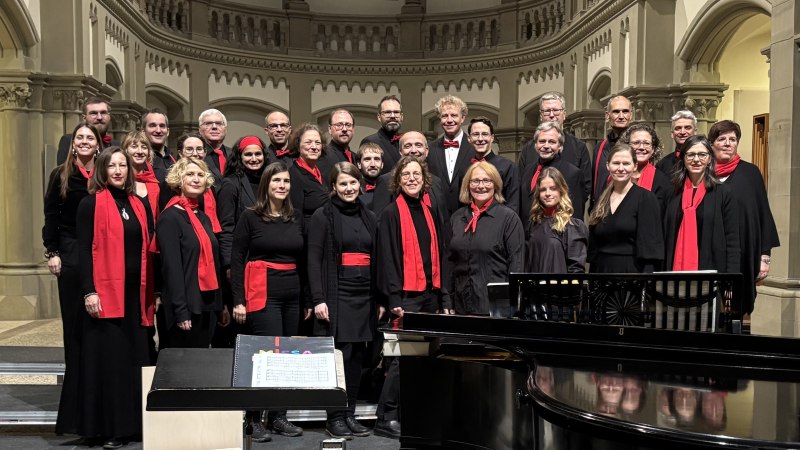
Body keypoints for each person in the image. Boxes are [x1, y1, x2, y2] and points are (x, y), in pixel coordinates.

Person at [76, 147, 156, 448]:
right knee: (110, 363)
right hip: (107, 295)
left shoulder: (139, 203)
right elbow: (83, 250)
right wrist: (89, 290)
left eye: (123, 165)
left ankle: (132, 426)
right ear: (103, 170)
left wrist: (155, 292)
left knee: (134, 361)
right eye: (112, 166)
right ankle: (108, 428)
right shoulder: (90, 204)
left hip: (137, 295)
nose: (119, 171)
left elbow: (148, 248)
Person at [374, 155, 451, 439]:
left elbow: (440, 258)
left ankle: (412, 413)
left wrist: (444, 299)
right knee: (399, 359)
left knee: (424, 358)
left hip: (430, 295)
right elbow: (387, 259)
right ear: (398, 179)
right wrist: (394, 299)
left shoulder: (430, 212)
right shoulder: (391, 213)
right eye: (405, 174)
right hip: (405, 297)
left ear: (424, 178)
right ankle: (386, 416)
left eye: (416, 174)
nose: (411, 178)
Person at [229, 161, 305, 440]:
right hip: (263, 292)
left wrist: (308, 299)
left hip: (292, 293)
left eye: (285, 181)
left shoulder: (296, 217)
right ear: (266, 185)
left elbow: (303, 260)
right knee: (264, 357)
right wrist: (238, 299)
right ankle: (253, 419)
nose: (282, 186)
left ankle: (278, 417)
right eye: (276, 181)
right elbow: (237, 260)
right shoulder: (250, 217)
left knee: (285, 357)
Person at [308, 162, 380, 439]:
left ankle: (349, 413)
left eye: (353, 183)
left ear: (360, 185)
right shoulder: (321, 216)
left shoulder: (369, 215)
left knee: (357, 357)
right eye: (343, 184)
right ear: (333, 187)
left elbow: (377, 257)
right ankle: (334, 416)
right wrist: (318, 298)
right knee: (338, 357)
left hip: (364, 294)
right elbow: (314, 260)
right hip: (337, 294)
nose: (348, 189)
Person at [43, 123, 101, 436]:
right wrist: (51, 251)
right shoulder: (61, 174)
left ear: (98, 142)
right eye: (79, 137)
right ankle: (75, 408)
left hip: (102, 253)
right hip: (71, 252)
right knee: (75, 329)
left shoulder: (106, 173)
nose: (84, 142)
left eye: (90, 137)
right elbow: (51, 215)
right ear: (73, 143)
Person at [709, 120, 779, 316]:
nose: (727, 143)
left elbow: (763, 214)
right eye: (721, 139)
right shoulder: (703, 174)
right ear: (712, 143)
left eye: (732, 139)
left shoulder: (750, 173)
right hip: (710, 252)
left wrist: (764, 257)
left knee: (736, 309)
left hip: (743, 250)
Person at [155, 157, 225, 349]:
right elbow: (172, 269)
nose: (196, 179)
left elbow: (214, 263)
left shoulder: (203, 217)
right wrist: (181, 310)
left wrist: (220, 306)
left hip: (207, 304)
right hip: (185, 306)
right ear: (179, 180)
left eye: (201, 175)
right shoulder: (169, 218)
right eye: (190, 174)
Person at [447, 161, 524, 315]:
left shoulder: (508, 218)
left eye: (487, 181)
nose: (481, 186)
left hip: (495, 308)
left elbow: (517, 264)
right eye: (475, 181)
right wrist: (448, 299)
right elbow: (450, 262)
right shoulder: (457, 218)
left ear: (495, 185)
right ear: (468, 185)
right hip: (461, 306)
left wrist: (511, 305)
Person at [663, 135, 740, 274]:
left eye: (702, 154)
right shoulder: (672, 193)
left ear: (710, 158)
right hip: (674, 272)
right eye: (691, 154)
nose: (696, 160)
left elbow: (732, 240)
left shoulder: (723, 193)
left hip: (712, 272)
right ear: (683, 158)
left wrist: (731, 279)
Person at [587, 143, 664, 273]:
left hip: (632, 274)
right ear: (607, 165)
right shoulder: (602, 198)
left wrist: (646, 284)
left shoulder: (646, 198)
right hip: (601, 273)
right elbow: (595, 247)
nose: (621, 168)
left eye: (626, 163)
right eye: (616, 163)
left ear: (635, 166)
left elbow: (651, 249)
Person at [517, 92, 592, 202]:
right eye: (547, 111)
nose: (552, 115)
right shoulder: (528, 149)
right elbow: (521, 184)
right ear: (541, 115)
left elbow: (585, 187)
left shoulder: (579, 147)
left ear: (564, 114)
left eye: (556, 110)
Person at [370, 131, 449, 225]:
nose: (414, 150)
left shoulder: (436, 181)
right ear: (400, 151)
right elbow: (380, 222)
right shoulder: (386, 180)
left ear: (427, 151)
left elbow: (443, 220)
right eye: (408, 146)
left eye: (418, 145)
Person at [525, 167, 588, 273]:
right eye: (543, 189)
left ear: (561, 191)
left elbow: (576, 270)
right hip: (533, 287)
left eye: (553, 188)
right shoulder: (533, 224)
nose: (547, 193)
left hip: (559, 288)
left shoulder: (573, 226)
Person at [520, 122, 586, 220]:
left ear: (560, 146)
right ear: (535, 144)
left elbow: (575, 214)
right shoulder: (528, 170)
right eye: (542, 141)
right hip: (527, 231)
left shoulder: (572, 173)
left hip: (556, 232)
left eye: (552, 142)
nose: (546, 146)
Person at [427, 95, 476, 215]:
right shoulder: (430, 149)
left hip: (468, 214)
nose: (449, 120)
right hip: (437, 215)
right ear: (440, 119)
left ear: (463, 118)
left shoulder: (475, 147)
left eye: (454, 115)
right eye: (444, 116)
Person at [466, 117, 520, 214]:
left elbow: (513, 205)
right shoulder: (465, 167)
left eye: (485, 134)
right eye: (475, 134)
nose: (480, 139)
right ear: (469, 139)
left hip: (500, 224)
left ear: (492, 138)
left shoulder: (508, 167)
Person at [620, 123, 672, 214]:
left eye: (647, 143)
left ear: (653, 149)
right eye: (636, 143)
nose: (641, 147)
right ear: (626, 146)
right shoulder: (616, 176)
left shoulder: (662, 182)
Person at [591, 95, 633, 209]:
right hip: (601, 210)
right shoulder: (600, 147)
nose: (621, 116)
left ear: (631, 115)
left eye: (625, 111)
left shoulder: (638, 146)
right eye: (616, 112)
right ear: (607, 115)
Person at [288, 123, 330, 223]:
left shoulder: (320, 170)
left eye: (318, 143)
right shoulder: (294, 174)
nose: (314, 147)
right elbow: (295, 216)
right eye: (308, 142)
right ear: (298, 146)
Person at [56, 97, 117, 165]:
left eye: (103, 113)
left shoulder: (116, 145)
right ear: (84, 118)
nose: (99, 117)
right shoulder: (69, 140)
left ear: (109, 117)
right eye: (93, 113)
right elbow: (63, 172)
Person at [123, 131, 163, 221]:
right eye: (134, 147)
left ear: (148, 152)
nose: (140, 151)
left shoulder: (154, 183)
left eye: (144, 147)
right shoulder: (120, 181)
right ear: (125, 150)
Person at [360, 95, 403, 173]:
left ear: (401, 116)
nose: (392, 116)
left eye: (396, 112)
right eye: (387, 112)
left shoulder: (406, 142)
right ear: (379, 117)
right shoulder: (370, 141)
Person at [318, 109, 356, 182]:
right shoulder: (323, 154)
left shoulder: (356, 157)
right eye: (339, 125)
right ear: (329, 129)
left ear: (353, 129)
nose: (344, 129)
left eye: (348, 125)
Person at [656, 110, 697, 176]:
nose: (682, 132)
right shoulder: (663, 165)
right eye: (678, 128)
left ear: (695, 132)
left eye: (687, 128)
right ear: (672, 134)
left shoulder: (706, 160)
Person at [198, 108, 231, 183]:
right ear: (200, 130)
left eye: (219, 123)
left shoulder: (234, 154)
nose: (214, 127)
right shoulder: (195, 155)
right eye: (208, 123)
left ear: (225, 129)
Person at [141, 108, 174, 177]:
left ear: (167, 132)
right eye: (152, 125)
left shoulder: (173, 160)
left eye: (162, 126)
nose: (158, 130)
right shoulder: (139, 159)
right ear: (143, 132)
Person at [356, 142, 384, 210]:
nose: (373, 164)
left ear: (382, 164)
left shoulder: (390, 188)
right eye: (367, 159)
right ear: (359, 164)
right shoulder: (353, 189)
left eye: (377, 159)